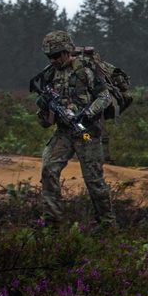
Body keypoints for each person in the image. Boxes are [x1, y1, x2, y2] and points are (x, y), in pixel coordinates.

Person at [35, 30, 116, 229]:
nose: (52, 60)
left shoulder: (85, 69)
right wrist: (43, 106)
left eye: (55, 56)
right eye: (49, 57)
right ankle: (53, 224)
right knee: (48, 170)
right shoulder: (49, 74)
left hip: (86, 132)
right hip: (63, 133)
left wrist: (86, 114)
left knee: (93, 179)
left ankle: (107, 226)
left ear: (66, 52)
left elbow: (105, 97)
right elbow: (44, 121)